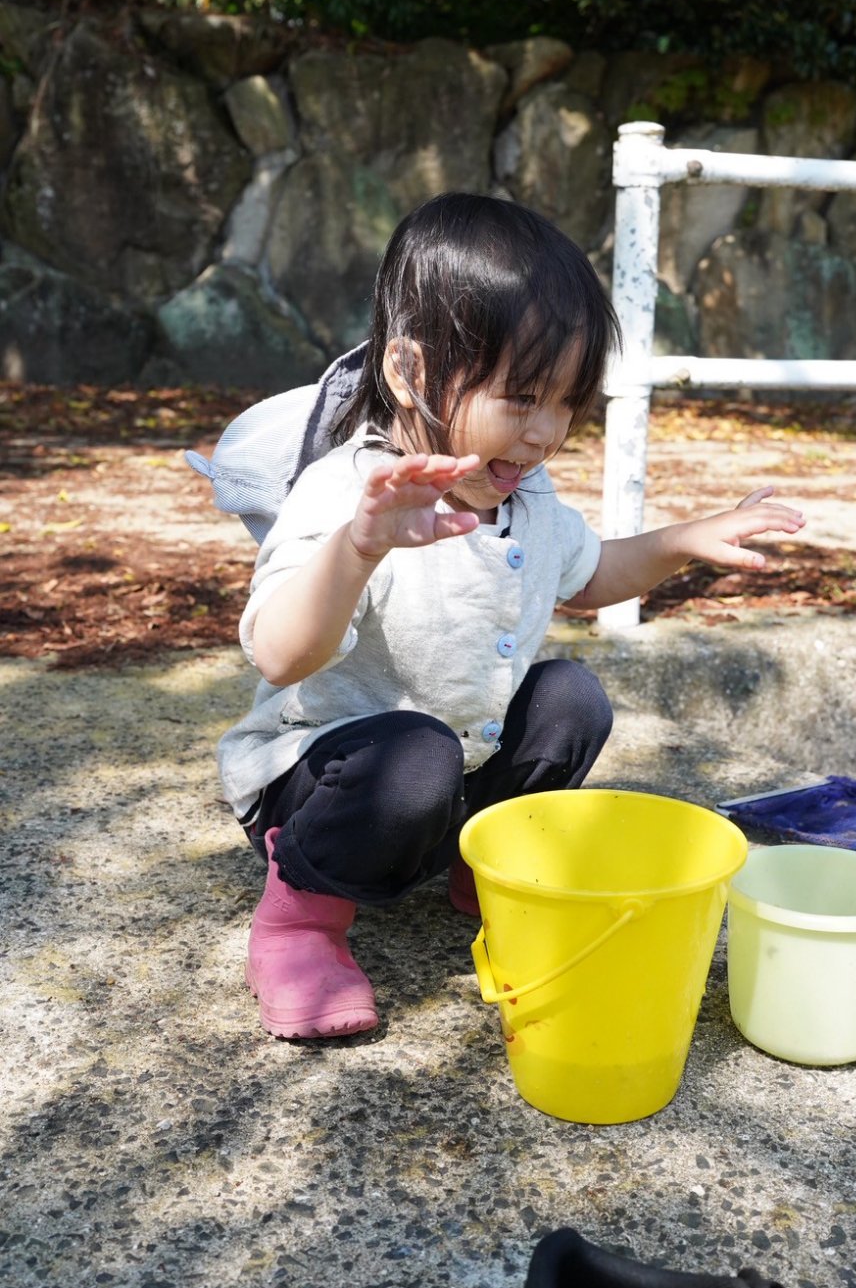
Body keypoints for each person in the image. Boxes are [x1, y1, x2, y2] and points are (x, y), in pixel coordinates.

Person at [217, 192, 806, 1040]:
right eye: (522, 397)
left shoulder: (524, 499)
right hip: (324, 784)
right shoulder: (350, 494)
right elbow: (280, 655)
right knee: (414, 752)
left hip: (449, 772)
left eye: (567, 403)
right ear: (409, 372)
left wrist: (687, 537)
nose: (543, 434)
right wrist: (360, 548)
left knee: (570, 696)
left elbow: (595, 571)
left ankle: (480, 871)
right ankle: (301, 919)